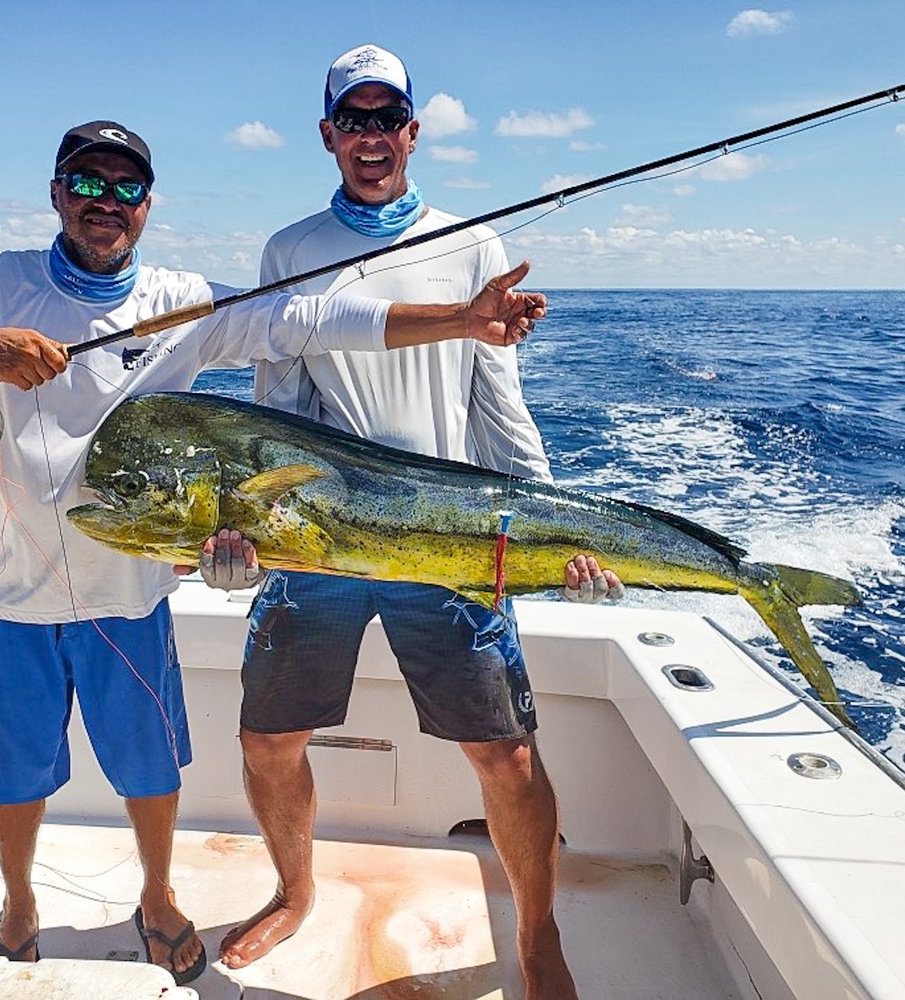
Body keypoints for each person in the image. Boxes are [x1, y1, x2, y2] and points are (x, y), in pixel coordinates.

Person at [0, 119, 546, 986]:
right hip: (15, 589)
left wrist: (459, 321)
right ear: (57, 191)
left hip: (129, 588)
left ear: (147, 206)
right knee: (14, 773)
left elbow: (309, 321)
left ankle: (160, 899)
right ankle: (17, 902)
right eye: (88, 182)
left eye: (126, 188)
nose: (106, 202)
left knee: (147, 765)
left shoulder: (179, 302)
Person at [207, 47, 621, 1000]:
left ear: (411, 130)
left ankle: (537, 938)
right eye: (350, 119)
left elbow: (496, 403)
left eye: (384, 116)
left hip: (448, 536)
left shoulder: (471, 240)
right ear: (326, 136)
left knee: (505, 753)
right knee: (269, 741)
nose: (369, 135)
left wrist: (558, 529)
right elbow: (280, 408)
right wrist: (253, 540)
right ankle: (293, 891)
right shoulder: (288, 250)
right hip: (319, 537)